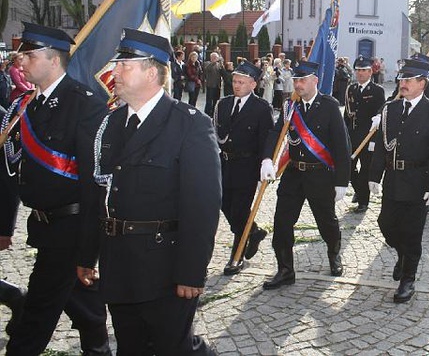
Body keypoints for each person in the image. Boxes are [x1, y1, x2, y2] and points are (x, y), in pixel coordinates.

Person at [78, 29, 221, 355]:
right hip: (118, 263)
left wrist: (191, 271)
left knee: (173, 347)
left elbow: (202, 205)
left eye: (124, 65)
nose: (114, 72)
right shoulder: (111, 125)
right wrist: (86, 254)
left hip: (165, 266)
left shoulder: (189, 124)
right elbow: (97, 196)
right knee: (130, 347)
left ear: (153, 72)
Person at [1, 23, 111, 355]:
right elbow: (12, 170)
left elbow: (94, 182)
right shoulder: (27, 105)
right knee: (82, 297)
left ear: (53, 59)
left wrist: (88, 250)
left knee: (37, 312)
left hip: (71, 229)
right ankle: (98, 347)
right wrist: (6, 224)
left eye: (29, 55)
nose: (21, 62)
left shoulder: (84, 104)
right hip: (44, 225)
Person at [259, 61, 351, 290]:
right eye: (296, 80)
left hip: (320, 175)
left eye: (302, 80)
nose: (297, 84)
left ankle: (333, 252)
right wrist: (267, 158)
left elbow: (342, 146)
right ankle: (285, 269)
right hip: (293, 174)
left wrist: (342, 181)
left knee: (326, 222)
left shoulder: (329, 106)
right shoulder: (291, 105)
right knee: (282, 222)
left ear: (314, 81)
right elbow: (275, 132)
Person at [368, 58, 429, 303]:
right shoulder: (390, 109)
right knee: (386, 224)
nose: (402, 84)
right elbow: (383, 146)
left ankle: (408, 279)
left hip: (418, 182)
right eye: (401, 79)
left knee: (412, 233)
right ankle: (402, 256)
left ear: (422, 83)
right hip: (393, 179)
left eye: (408, 80)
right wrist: (374, 176)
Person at [214, 62, 274, 275]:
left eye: (241, 82)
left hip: (247, 166)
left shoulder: (261, 108)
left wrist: (266, 162)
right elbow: (216, 135)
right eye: (235, 81)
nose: (236, 85)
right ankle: (253, 231)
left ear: (253, 84)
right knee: (225, 206)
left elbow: (267, 139)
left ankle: (236, 256)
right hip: (225, 164)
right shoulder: (223, 104)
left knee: (239, 209)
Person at [344, 56, 386, 213]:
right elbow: (347, 116)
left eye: (364, 70)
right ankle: (359, 191)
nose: (360, 73)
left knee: (365, 170)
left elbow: (380, 113)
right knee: (349, 168)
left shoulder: (377, 90)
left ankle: (363, 201)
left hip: (369, 137)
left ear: (370, 72)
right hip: (352, 135)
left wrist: (375, 139)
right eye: (358, 70)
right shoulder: (351, 89)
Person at [203, 52, 223, 117]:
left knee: (216, 100)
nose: (215, 58)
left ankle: (214, 113)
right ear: (211, 58)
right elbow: (207, 69)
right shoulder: (207, 63)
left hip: (217, 85)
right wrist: (213, 62)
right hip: (210, 85)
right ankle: (207, 113)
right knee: (209, 100)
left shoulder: (219, 65)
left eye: (216, 57)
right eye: (213, 57)